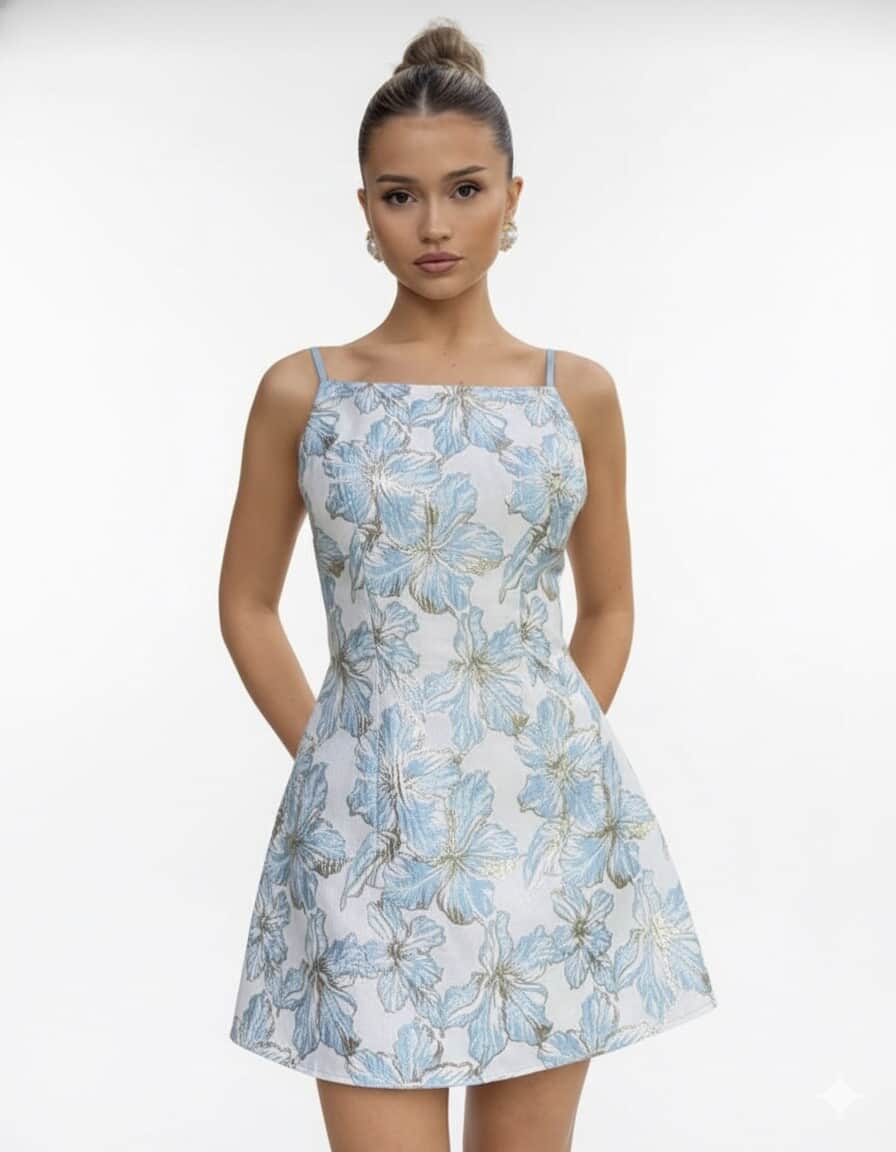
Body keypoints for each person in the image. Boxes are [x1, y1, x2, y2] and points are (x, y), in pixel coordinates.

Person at [220, 18, 717, 1152]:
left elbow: (609, 604)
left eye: (463, 190)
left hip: (543, 836)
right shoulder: (304, 392)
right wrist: (336, 763)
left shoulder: (573, 393)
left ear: (511, 197)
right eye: (400, 196)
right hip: (362, 837)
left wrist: (542, 762)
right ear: (364, 208)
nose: (434, 226)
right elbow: (246, 603)